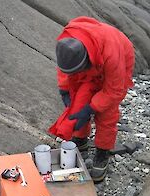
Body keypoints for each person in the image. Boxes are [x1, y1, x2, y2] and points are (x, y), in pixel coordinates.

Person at [49, 17, 135, 182]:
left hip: (117, 58)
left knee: (107, 113)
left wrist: (92, 108)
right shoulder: (68, 43)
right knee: (78, 104)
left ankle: (103, 152)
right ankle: (80, 140)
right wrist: (64, 89)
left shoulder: (112, 54)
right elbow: (65, 70)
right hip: (92, 58)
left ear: (87, 61)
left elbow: (115, 90)